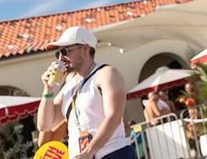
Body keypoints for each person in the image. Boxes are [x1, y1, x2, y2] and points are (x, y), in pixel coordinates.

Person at [37, 26, 135, 159]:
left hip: (111, 153)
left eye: (65, 51)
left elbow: (114, 117)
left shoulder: (106, 73)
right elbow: (45, 125)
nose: (61, 58)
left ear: (84, 48)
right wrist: (48, 89)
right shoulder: (70, 84)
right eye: (58, 53)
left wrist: (88, 152)